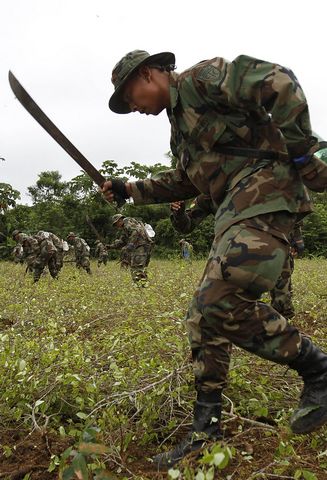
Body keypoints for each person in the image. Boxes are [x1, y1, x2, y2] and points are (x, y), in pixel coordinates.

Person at [102, 50, 327, 468]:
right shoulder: (179, 129)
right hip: (233, 211)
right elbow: (185, 181)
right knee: (203, 319)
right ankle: (206, 431)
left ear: (149, 74)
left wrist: (300, 151)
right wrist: (129, 188)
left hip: (267, 195)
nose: (132, 107)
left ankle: (318, 368)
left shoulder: (203, 80)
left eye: (129, 96)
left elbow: (279, 81)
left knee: (218, 300)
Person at [171, 197, 302, 320]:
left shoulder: (263, 178)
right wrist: (179, 213)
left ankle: (284, 332)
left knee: (282, 303)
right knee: (214, 306)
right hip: (231, 253)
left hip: (274, 245)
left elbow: (289, 207)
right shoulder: (213, 191)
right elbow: (186, 226)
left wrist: (297, 239)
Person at [107, 214, 153, 285]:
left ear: (120, 220)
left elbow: (136, 232)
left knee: (137, 267)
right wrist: (110, 247)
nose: (116, 226)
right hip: (140, 246)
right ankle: (142, 286)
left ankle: (142, 286)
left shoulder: (127, 222)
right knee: (137, 267)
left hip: (141, 246)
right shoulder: (126, 228)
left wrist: (130, 245)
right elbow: (122, 241)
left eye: (116, 224)